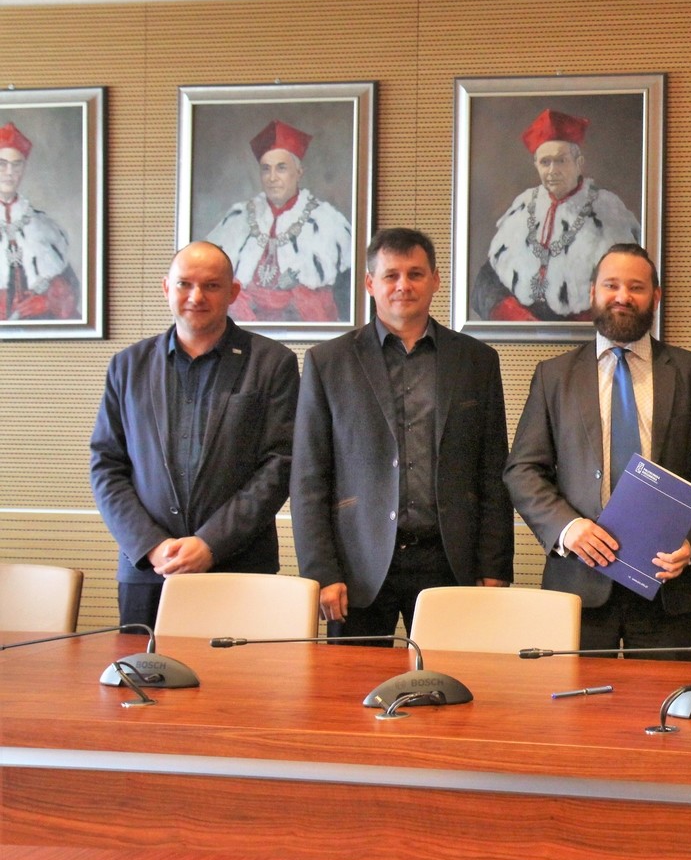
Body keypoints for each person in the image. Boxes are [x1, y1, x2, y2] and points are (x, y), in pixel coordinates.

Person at [504, 243, 691, 657]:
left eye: (636, 287)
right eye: (611, 285)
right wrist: (567, 527)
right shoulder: (553, 376)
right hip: (577, 584)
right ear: (592, 292)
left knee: (667, 698)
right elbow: (523, 469)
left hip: (669, 585)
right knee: (573, 699)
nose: (623, 296)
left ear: (656, 296)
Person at [292, 228, 513, 642]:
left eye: (415, 274)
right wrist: (321, 571)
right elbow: (309, 477)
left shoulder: (477, 361)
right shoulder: (328, 362)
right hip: (357, 562)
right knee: (350, 680)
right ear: (369, 283)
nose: (403, 286)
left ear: (435, 280)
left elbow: (493, 471)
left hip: (449, 560)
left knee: (447, 677)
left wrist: (494, 564)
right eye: (391, 275)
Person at [88, 242, 299, 628]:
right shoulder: (127, 366)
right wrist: (151, 546)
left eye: (211, 286)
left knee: (241, 669)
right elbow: (106, 465)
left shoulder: (272, 363)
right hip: (148, 569)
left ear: (233, 292)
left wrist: (211, 543)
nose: (196, 297)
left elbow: (281, 463)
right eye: (184, 284)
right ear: (166, 288)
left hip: (239, 566)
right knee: (144, 667)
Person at [472, 108, 641, 321]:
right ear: (536, 165)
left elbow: (625, 285)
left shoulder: (608, 209)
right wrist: (514, 316)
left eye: (561, 160)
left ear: (579, 163)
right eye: (545, 162)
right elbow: (487, 282)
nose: (552, 171)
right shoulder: (523, 205)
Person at [207, 119, 354, 323]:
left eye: (281, 168)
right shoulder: (238, 217)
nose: (272, 177)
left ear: (299, 172)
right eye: (266, 169)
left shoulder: (326, 221)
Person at [0, 121, 81, 320]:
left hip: (41, 325)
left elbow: (70, 290)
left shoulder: (43, 226)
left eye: (16, 164)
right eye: (2, 164)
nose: (9, 172)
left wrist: (47, 302)